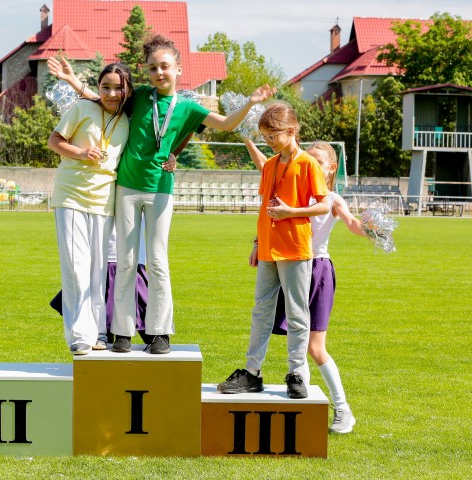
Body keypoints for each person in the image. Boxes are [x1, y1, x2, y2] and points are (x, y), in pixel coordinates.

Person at [48, 34, 275, 355]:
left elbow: (225, 124)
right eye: (153, 67)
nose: (159, 72)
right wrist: (73, 82)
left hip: (159, 191)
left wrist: (250, 103)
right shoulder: (140, 95)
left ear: (178, 69)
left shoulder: (188, 107)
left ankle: (160, 333)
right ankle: (120, 333)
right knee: (125, 262)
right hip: (125, 189)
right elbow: (106, 97)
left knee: (156, 261)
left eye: (165, 66)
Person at [246, 139, 364, 433]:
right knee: (296, 342)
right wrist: (258, 242)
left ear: (332, 168)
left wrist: (375, 230)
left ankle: (343, 409)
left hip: (317, 270)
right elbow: (265, 168)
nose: (311, 164)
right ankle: (304, 410)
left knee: (314, 347)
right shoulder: (294, 187)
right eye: (309, 159)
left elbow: (353, 224)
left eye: (318, 162)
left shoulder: (332, 199)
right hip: (289, 265)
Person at [217, 103, 328, 399]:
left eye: (273, 135)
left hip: (295, 248)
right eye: (265, 136)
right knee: (261, 311)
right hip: (268, 246)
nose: (269, 141)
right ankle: (252, 372)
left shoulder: (308, 164)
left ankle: (296, 373)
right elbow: (266, 206)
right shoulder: (270, 165)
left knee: (297, 313)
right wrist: (257, 243)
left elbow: (324, 205)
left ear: (291, 131)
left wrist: (292, 212)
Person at [47, 63, 136, 355]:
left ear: (128, 90)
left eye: (118, 88)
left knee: (98, 271)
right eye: (105, 87)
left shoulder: (129, 119)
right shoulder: (82, 109)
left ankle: (98, 331)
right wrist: (82, 153)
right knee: (76, 268)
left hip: (104, 202)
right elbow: (54, 141)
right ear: (98, 88)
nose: (112, 93)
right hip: (71, 197)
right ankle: (79, 335)